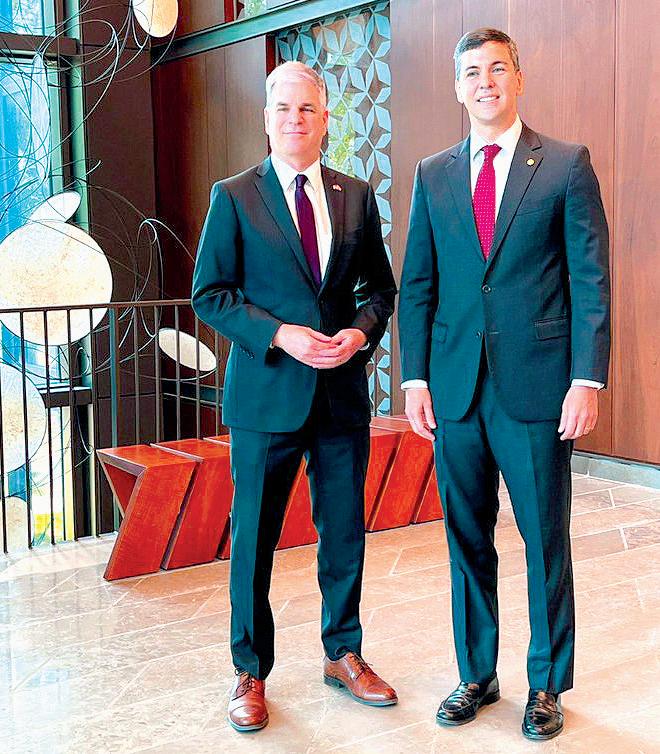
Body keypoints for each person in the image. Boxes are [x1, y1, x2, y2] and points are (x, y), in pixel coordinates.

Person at [398, 28, 610, 741]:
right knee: (466, 537)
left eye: (496, 69)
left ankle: (546, 682)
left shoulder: (566, 165)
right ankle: (476, 674)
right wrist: (415, 378)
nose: (484, 82)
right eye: (471, 72)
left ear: (518, 78)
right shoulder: (432, 174)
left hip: (538, 388)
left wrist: (586, 378)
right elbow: (418, 284)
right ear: (457, 87)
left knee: (545, 539)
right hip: (455, 390)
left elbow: (589, 279)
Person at [192, 61, 398, 733]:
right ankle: (249, 670)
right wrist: (279, 333)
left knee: (344, 532)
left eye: (307, 108)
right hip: (266, 397)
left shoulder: (355, 196)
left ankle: (344, 653)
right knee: (254, 538)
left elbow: (380, 292)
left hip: (340, 396)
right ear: (266, 118)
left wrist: (358, 334)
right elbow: (211, 295)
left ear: (325, 119)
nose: (294, 119)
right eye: (283, 108)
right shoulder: (234, 196)